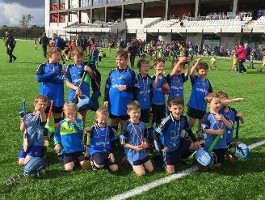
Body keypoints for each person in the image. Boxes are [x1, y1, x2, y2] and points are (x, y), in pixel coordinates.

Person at [154, 97, 201, 174]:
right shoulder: (166, 121)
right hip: (168, 149)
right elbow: (155, 133)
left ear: (183, 108)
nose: (178, 111)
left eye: (180, 108)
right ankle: (159, 157)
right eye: (175, 108)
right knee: (171, 172)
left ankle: (182, 157)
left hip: (177, 143)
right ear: (170, 108)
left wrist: (195, 141)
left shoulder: (184, 119)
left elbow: (188, 130)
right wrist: (162, 147)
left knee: (196, 146)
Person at [104, 49, 138, 132]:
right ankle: (114, 142)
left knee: (125, 124)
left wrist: (126, 87)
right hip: (113, 102)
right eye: (117, 59)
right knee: (114, 123)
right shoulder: (112, 72)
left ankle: (123, 143)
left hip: (125, 103)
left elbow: (137, 87)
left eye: (121, 59)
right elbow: (107, 86)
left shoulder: (131, 73)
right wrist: (105, 99)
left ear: (126, 60)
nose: (119, 62)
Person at [120, 101, 154, 176]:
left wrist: (145, 142)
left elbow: (144, 136)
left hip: (142, 150)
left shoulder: (142, 124)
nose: (137, 114)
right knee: (142, 173)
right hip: (132, 151)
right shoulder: (126, 126)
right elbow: (123, 143)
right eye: (134, 112)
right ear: (128, 113)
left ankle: (140, 162)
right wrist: (134, 147)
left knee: (151, 169)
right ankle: (128, 159)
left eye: (139, 112)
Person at [54, 102, 90, 171]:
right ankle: (70, 161)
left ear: (76, 112)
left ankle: (76, 160)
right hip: (67, 151)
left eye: (72, 113)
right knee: (68, 169)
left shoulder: (79, 122)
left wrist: (74, 123)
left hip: (78, 149)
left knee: (85, 166)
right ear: (64, 112)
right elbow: (57, 134)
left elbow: (80, 130)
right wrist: (57, 144)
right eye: (68, 114)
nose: (70, 116)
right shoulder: (61, 123)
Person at [201, 93, 233, 169]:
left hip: (222, 144)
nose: (218, 105)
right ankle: (202, 149)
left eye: (219, 103)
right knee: (207, 164)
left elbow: (230, 126)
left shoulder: (223, 115)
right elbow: (204, 130)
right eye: (216, 103)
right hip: (212, 145)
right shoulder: (207, 116)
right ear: (209, 104)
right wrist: (216, 132)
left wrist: (223, 119)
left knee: (219, 163)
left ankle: (220, 158)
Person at [36, 47, 64, 131]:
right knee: (43, 115)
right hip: (45, 95)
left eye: (60, 55)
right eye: (57, 55)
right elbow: (38, 78)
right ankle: (43, 135)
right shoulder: (43, 66)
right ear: (50, 55)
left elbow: (61, 79)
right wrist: (53, 73)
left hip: (58, 95)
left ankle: (57, 135)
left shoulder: (62, 67)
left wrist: (46, 77)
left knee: (57, 116)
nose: (59, 57)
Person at [65, 47, 94, 127]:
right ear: (72, 56)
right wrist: (76, 88)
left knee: (82, 115)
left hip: (84, 94)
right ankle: (71, 132)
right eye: (77, 56)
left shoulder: (86, 66)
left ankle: (80, 134)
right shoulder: (70, 67)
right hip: (73, 95)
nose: (79, 59)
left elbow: (94, 79)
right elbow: (67, 83)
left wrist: (90, 71)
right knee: (71, 115)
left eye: (81, 56)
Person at [84, 108, 118, 172]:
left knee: (115, 168)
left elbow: (113, 142)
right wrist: (86, 134)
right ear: (96, 118)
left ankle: (102, 161)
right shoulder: (92, 129)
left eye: (105, 119)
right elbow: (86, 142)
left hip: (107, 151)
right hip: (96, 151)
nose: (103, 121)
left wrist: (112, 153)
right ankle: (92, 159)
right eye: (102, 119)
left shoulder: (110, 129)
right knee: (100, 165)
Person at [18, 95, 48, 166]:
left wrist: (41, 111)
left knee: (26, 162)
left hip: (37, 145)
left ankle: (41, 153)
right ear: (35, 104)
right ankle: (37, 155)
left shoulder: (42, 116)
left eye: (45, 105)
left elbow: (43, 120)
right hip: (27, 144)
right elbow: (22, 129)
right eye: (40, 104)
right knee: (21, 162)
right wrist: (22, 121)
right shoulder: (27, 115)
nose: (42, 106)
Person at [187, 58, 213, 130]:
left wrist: (209, 97)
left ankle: (198, 137)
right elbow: (191, 73)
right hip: (193, 106)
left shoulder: (207, 82)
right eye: (202, 71)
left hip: (202, 107)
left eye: (206, 71)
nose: (204, 73)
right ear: (198, 72)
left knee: (201, 125)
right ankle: (186, 136)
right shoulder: (195, 79)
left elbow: (211, 93)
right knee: (191, 124)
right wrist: (197, 63)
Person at [152, 58, 169, 126]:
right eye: (160, 66)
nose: (161, 68)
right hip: (154, 104)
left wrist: (167, 89)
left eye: (163, 66)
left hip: (162, 103)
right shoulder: (151, 78)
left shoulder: (165, 79)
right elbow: (154, 87)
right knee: (152, 122)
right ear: (155, 67)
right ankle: (151, 135)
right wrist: (157, 76)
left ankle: (158, 135)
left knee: (160, 122)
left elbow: (167, 93)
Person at [135, 58, 153, 123]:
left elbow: (151, 93)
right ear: (139, 68)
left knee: (145, 124)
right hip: (137, 106)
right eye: (144, 66)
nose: (146, 68)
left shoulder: (150, 79)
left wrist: (151, 105)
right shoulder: (136, 78)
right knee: (137, 123)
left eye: (147, 66)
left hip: (147, 106)